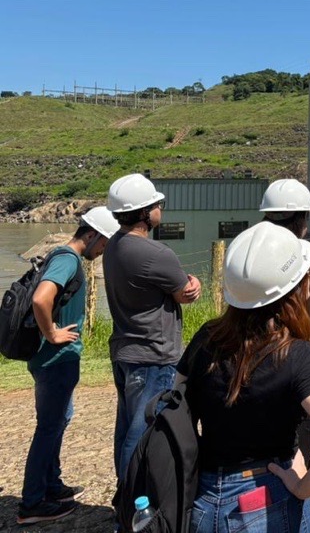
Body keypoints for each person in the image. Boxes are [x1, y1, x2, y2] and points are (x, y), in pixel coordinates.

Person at [178, 222, 310, 533]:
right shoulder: (297, 355)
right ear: (295, 288)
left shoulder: (206, 337)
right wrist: (303, 487)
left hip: (203, 497)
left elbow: (178, 402)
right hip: (265, 496)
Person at [17, 206, 118, 527]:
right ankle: (32, 502)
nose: (102, 250)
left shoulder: (64, 257)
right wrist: (52, 332)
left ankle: (52, 485)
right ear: (91, 235)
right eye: (102, 243)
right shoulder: (68, 259)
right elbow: (41, 299)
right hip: (54, 360)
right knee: (49, 427)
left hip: (55, 361)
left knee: (58, 421)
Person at [103, 173, 202, 480]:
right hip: (154, 356)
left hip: (125, 351)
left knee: (126, 428)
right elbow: (184, 294)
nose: (162, 207)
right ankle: (133, 505)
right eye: (158, 203)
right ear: (145, 213)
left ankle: (125, 496)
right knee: (145, 431)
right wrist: (194, 284)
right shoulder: (156, 253)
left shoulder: (112, 247)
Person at [260, 178, 310, 467]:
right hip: (295, 370)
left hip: (255, 366)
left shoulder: (250, 257)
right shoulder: (307, 269)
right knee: (296, 460)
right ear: (302, 220)